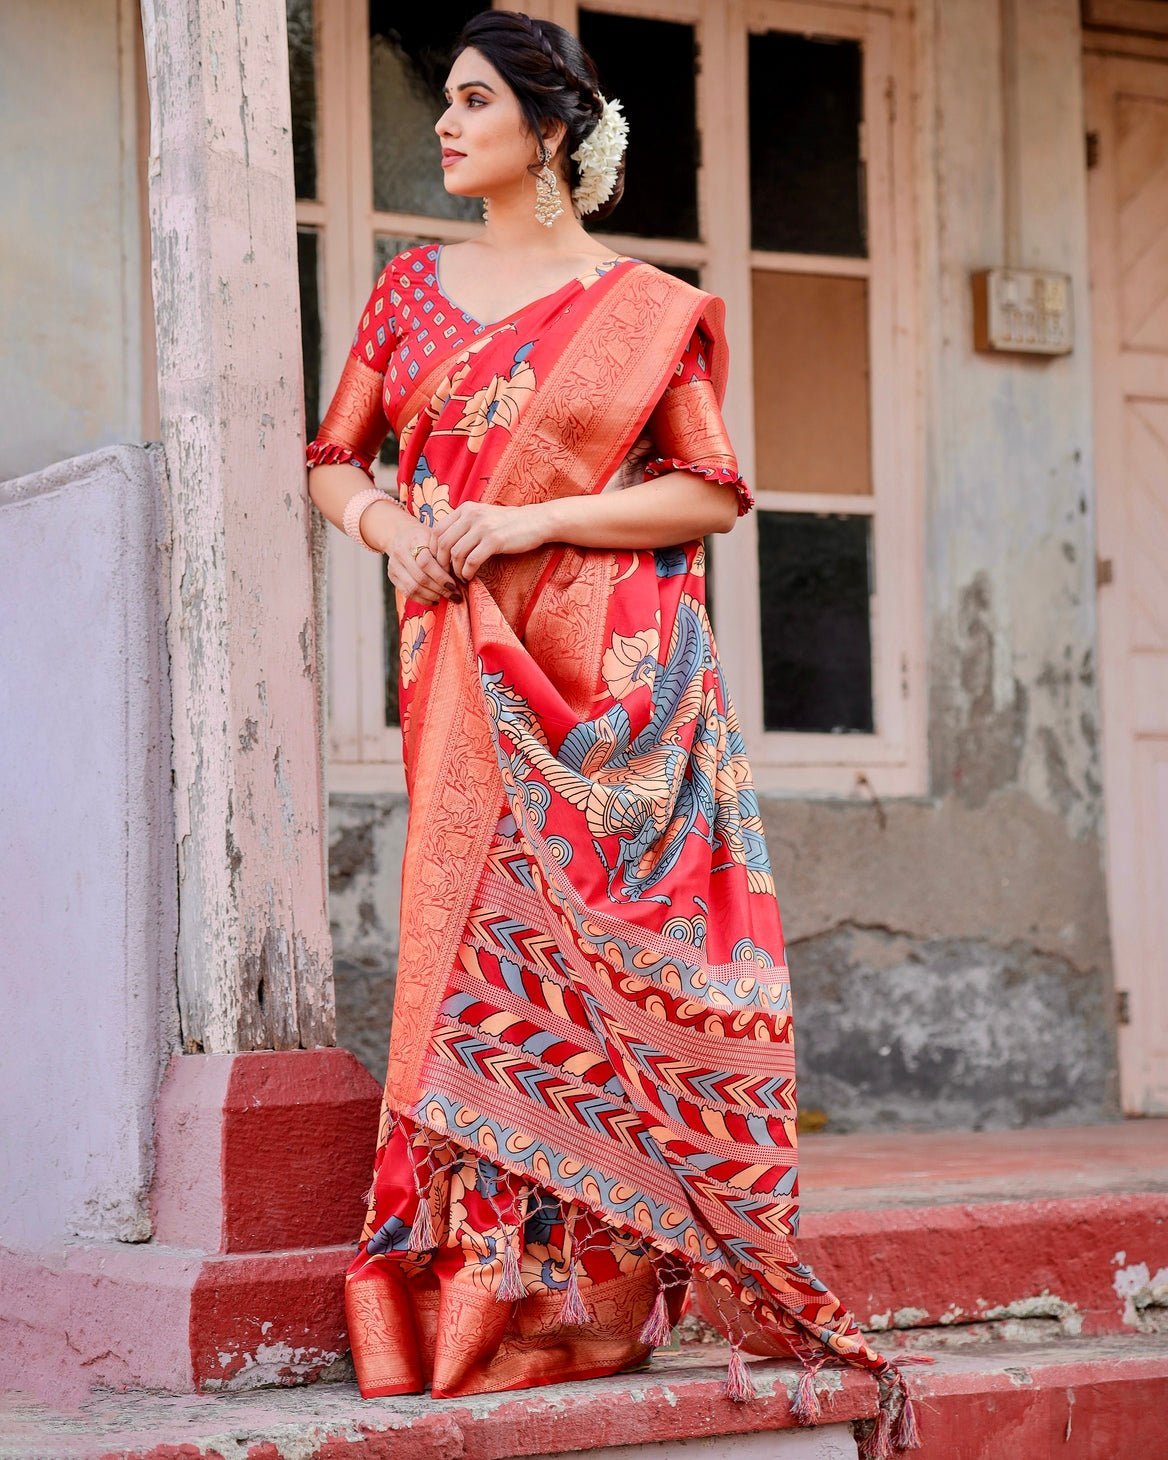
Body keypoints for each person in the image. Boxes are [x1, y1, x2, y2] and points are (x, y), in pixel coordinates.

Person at [304, 10, 926, 1453]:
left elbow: (708, 491)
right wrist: (403, 529)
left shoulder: (640, 305)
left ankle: (581, 1290)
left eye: (471, 103)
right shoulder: (409, 290)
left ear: (550, 130)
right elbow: (335, 460)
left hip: (613, 690)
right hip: (465, 661)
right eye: (445, 104)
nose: (445, 127)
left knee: (601, 978)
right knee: (466, 952)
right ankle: (467, 1285)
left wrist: (531, 514)